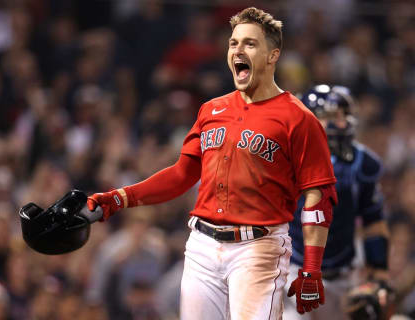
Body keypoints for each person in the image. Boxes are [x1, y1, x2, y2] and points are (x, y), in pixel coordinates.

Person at [87, 7, 337, 319]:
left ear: (273, 55)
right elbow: (181, 174)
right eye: (233, 43)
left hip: (258, 248)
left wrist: (311, 267)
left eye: (249, 43)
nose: (237, 50)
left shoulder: (298, 118)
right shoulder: (211, 109)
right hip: (202, 246)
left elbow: (319, 195)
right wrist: (120, 198)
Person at [283, 84, 390, 320]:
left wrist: (379, 271)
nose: (330, 124)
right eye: (323, 116)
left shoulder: (364, 163)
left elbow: (373, 222)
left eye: (337, 116)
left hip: (343, 274)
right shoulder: (284, 157)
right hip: (291, 269)